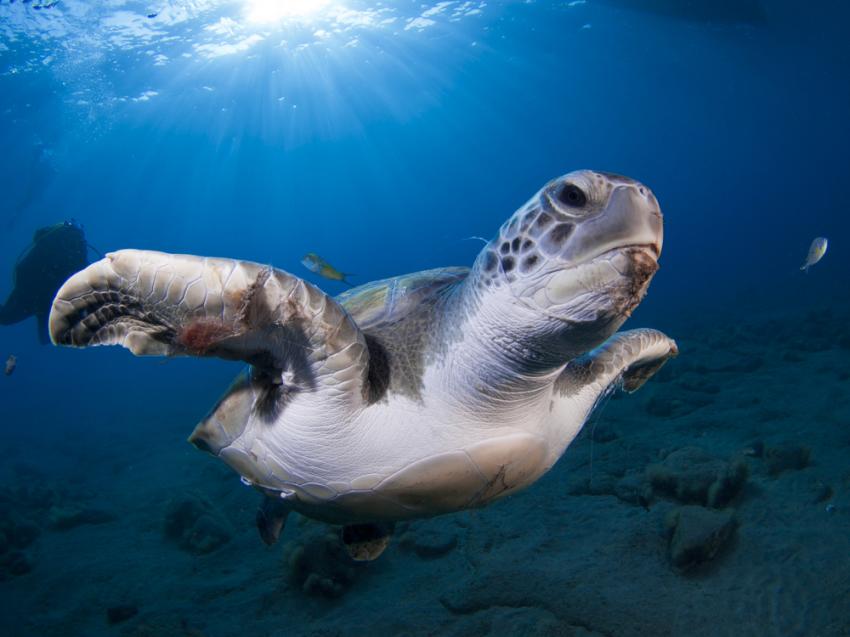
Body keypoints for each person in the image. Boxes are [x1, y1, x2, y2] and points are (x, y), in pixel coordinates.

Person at [0, 220, 92, 343]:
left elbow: (37, 237)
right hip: (45, 298)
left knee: (6, 317)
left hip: (32, 289)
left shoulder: (52, 238)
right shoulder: (79, 251)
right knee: (46, 336)